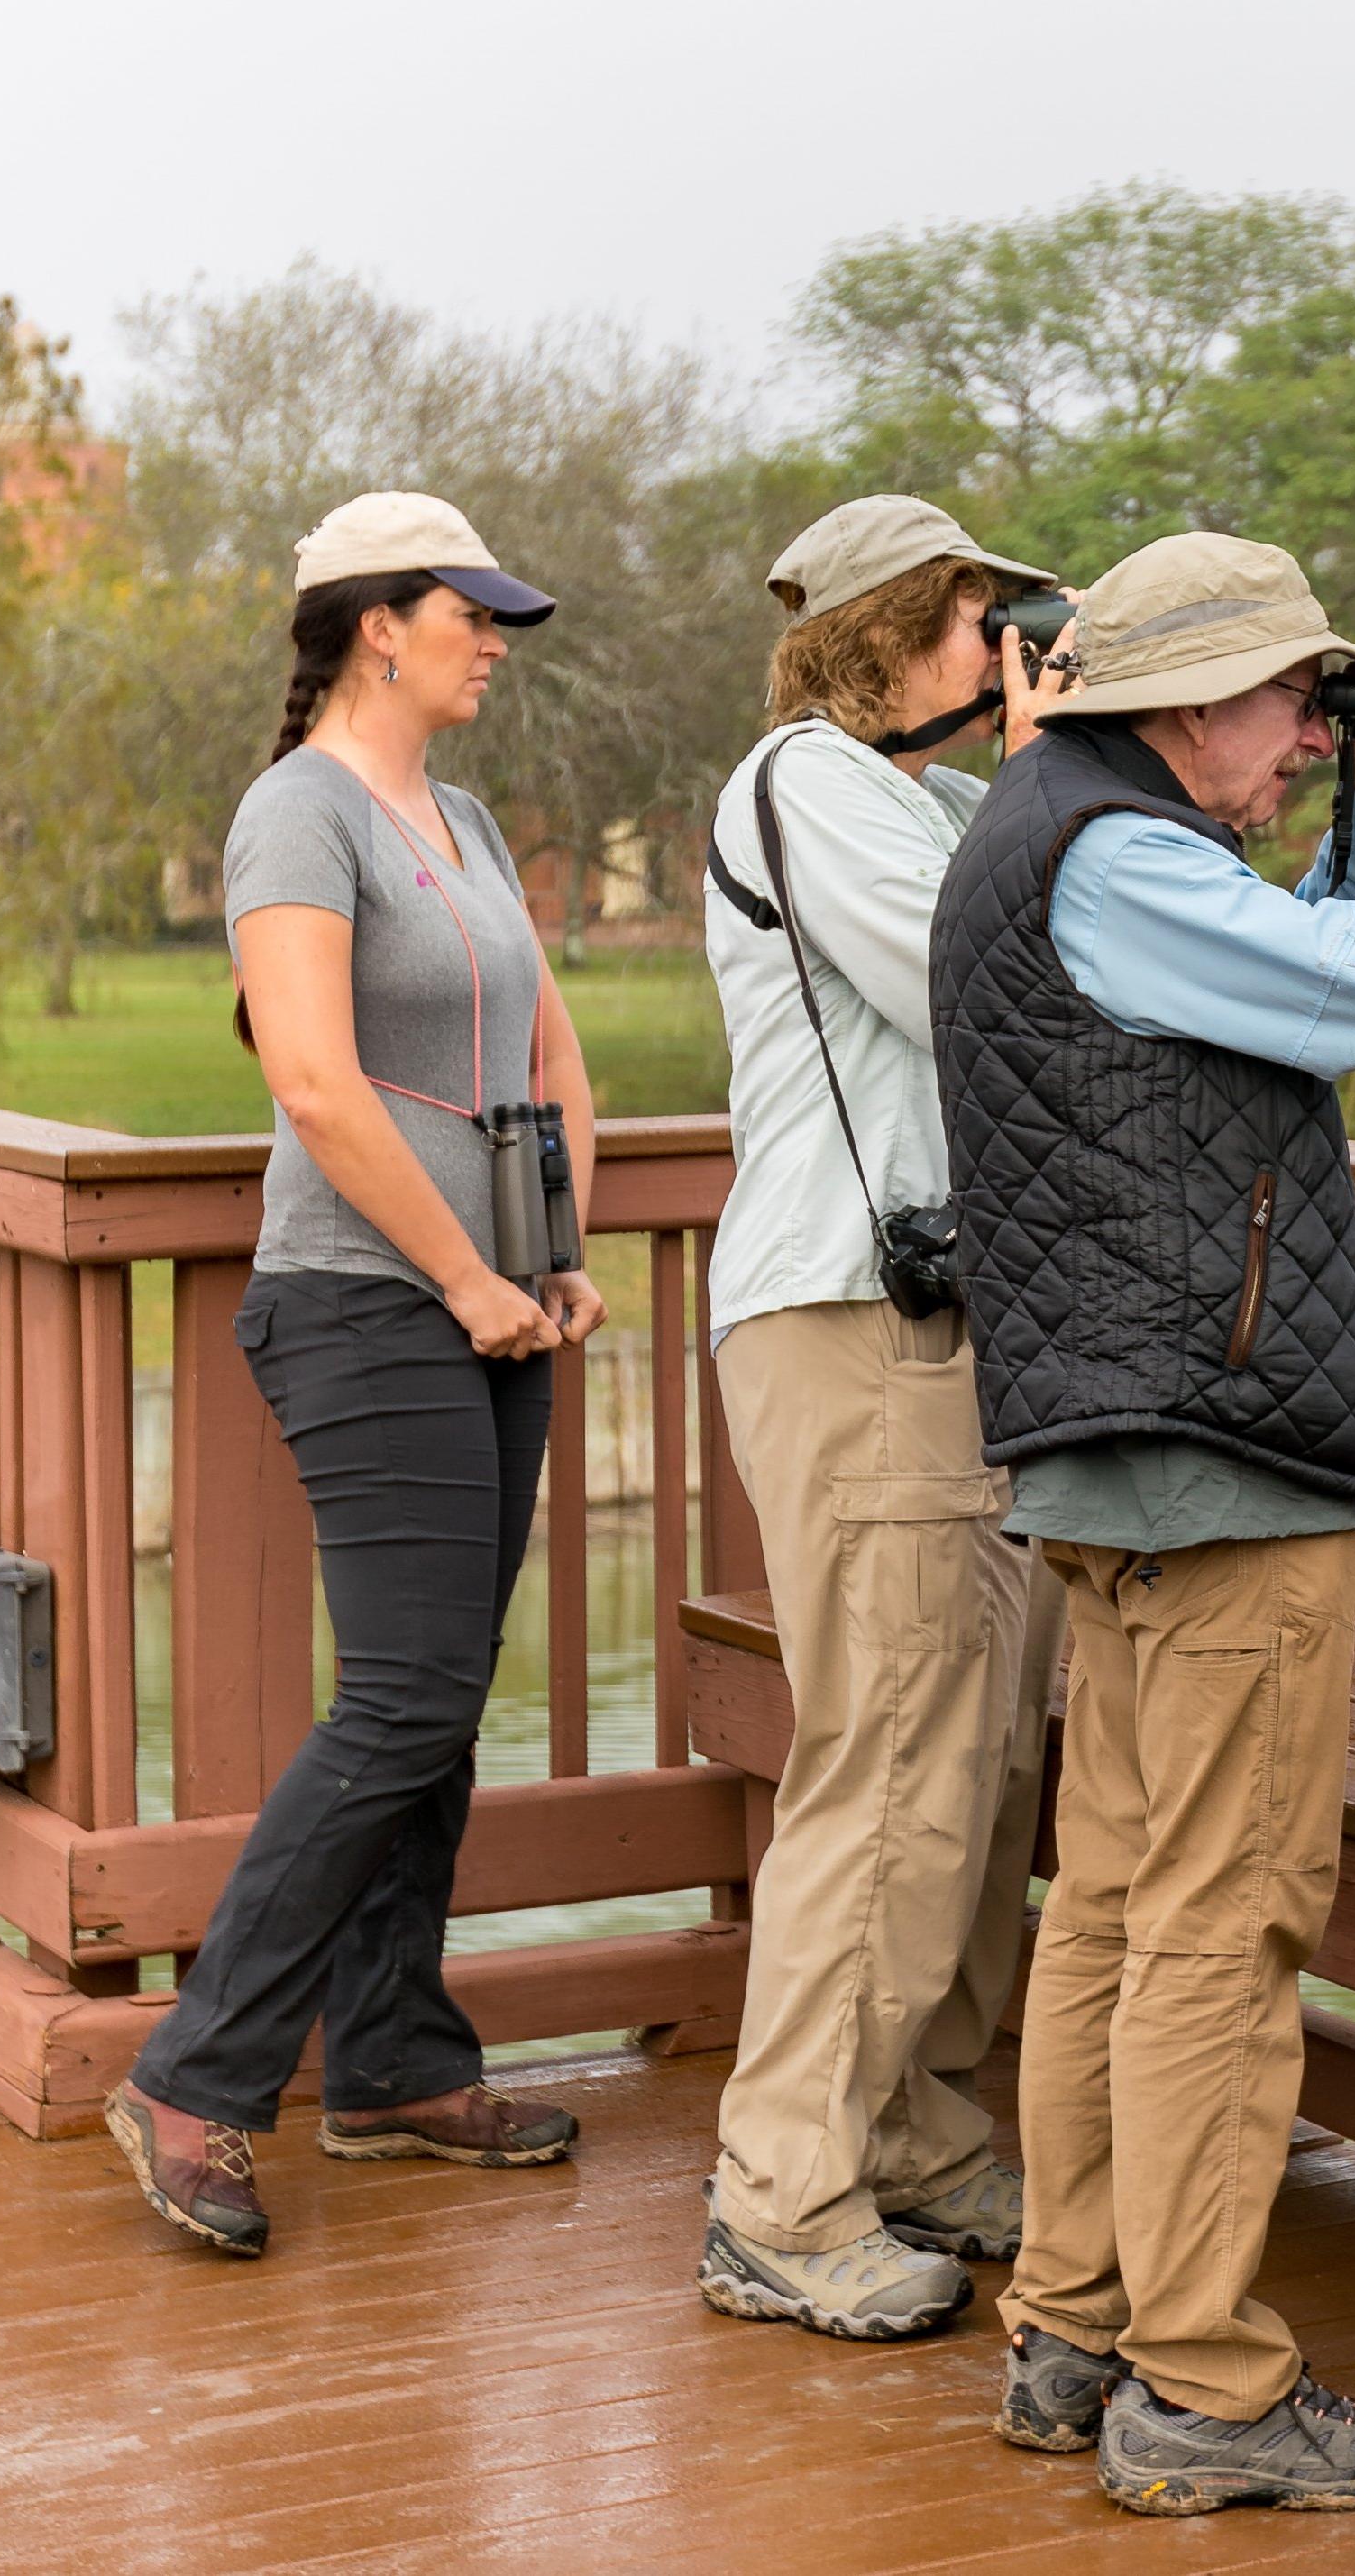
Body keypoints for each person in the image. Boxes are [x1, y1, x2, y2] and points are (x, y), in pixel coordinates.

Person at [927, 534, 1355, 2515]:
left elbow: (1289, 1009)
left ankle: (1081, 2327)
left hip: (1119, 1440)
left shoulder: (1054, 830)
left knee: (1108, 1902)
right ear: (1179, 702)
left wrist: (1350, 802)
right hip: (1218, 1453)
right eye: (1289, 703)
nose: (1299, 739)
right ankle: (1208, 2387)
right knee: (1218, 1927)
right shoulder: (1119, 857)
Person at [107, 492, 606, 2258]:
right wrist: (466, 1273)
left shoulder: (457, 815)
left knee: (442, 1699)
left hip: (490, 1305)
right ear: (376, 622)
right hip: (362, 1299)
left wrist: (549, 1249)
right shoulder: (294, 812)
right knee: (400, 1698)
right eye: (470, 611)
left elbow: (546, 1048)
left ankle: (394, 2062)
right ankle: (197, 2074)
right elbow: (315, 1082)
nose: (494, 637)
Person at [687, 497, 1076, 2340]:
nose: (1007, 644)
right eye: (984, 615)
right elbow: (991, 986)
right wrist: (1048, 766)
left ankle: (919, 2130)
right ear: (894, 631)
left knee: (987, 1758)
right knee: (901, 1752)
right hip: (860, 1320)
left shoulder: (920, 799)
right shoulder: (813, 779)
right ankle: (783, 2189)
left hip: (957, 1335)